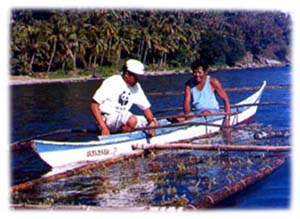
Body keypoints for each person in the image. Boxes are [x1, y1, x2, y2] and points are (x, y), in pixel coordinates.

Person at [90, 59, 157, 136]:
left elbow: (146, 108)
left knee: (154, 123)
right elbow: (94, 105)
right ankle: (119, 137)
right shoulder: (112, 81)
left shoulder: (136, 86)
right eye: (136, 78)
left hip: (121, 119)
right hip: (105, 118)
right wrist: (103, 127)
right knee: (132, 120)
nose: (137, 81)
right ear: (127, 74)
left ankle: (124, 134)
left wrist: (152, 121)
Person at [178, 58, 231, 127]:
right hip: (196, 113)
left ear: (205, 72)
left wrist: (227, 118)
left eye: (199, 72)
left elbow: (225, 100)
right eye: (195, 72)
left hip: (211, 112)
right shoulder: (189, 84)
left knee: (205, 113)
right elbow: (186, 102)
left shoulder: (212, 82)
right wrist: (186, 115)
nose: (197, 75)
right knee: (179, 116)